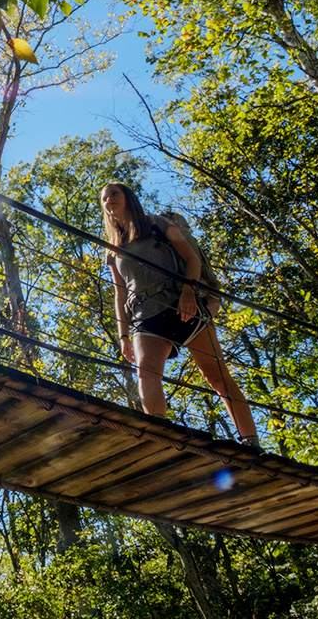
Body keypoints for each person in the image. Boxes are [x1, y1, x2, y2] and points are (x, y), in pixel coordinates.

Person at [100, 182, 261, 447]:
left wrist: (189, 292)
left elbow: (192, 259)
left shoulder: (157, 225)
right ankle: (160, 437)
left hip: (181, 305)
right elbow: (119, 294)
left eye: (114, 194)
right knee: (145, 373)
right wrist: (123, 335)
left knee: (216, 375)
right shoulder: (113, 249)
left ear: (128, 197)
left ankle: (251, 442)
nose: (109, 201)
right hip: (145, 314)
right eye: (104, 199)